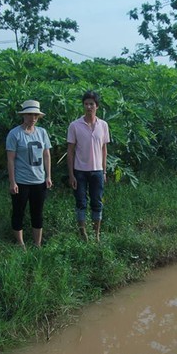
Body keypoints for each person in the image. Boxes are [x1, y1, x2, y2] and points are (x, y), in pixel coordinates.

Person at [6, 100, 53, 248]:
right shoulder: (15, 134)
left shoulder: (42, 132)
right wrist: (12, 181)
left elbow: (46, 155)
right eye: (30, 114)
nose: (33, 118)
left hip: (39, 180)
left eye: (35, 115)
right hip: (21, 181)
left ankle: (37, 243)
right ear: (23, 115)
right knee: (18, 212)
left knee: (37, 213)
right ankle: (20, 244)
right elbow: (10, 159)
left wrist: (48, 176)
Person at [67, 90, 110, 242]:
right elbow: (70, 151)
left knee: (97, 202)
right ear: (83, 106)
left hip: (97, 171)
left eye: (91, 104)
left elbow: (104, 150)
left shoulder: (103, 125)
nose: (89, 107)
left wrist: (104, 171)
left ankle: (97, 235)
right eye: (86, 104)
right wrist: (71, 174)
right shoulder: (75, 125)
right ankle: (83, 234)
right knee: (81, 203)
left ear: (97, 106)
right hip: (80, 171)